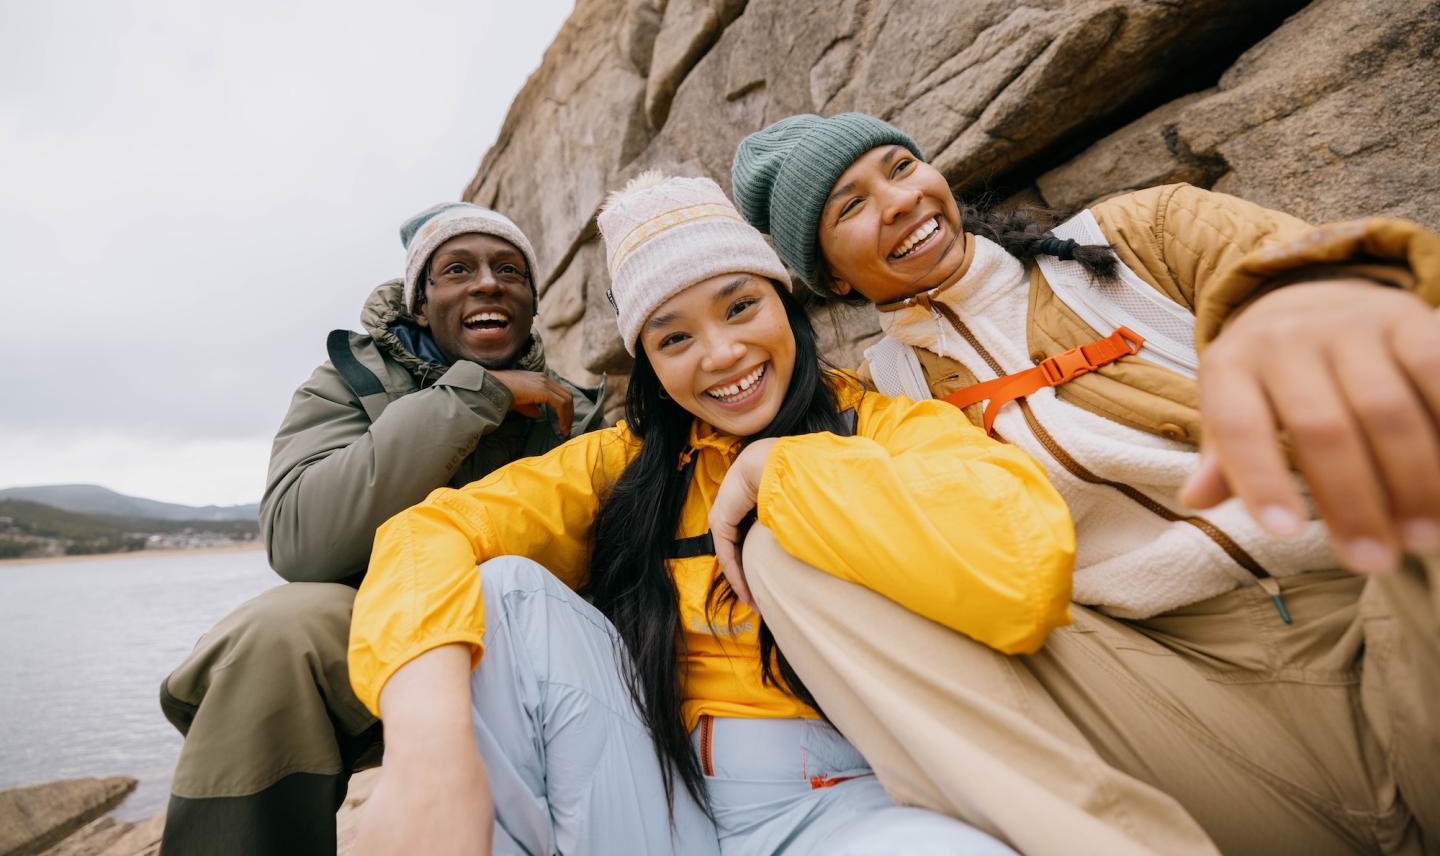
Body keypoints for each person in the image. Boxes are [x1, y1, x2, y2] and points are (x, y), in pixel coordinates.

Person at [727, 112, 1440, 854]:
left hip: (1380, 601)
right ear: (833, 275)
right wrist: (768, 463)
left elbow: (1321, 283)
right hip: (1174, 699)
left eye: (900, 168)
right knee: (786, 544)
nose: (900, 200)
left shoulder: (1140, 235)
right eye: (851, 205)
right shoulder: (883, 402)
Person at [345, 173, 1075, 856]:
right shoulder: (623, 463)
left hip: (845, 801)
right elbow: (426, 532)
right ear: (652, 367)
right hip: (652, 795)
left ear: (786, 302)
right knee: (506, 589)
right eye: (674, 337)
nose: (722, 355)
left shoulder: (887, 427)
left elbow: (1025, 569)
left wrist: (780, 469)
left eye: (740, 306)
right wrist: (429, 755)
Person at [158, 203, 604, 856]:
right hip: (382, 639)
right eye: (458, 269)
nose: (487, 283)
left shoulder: (579, 410)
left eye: (509, 270)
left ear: (532, 304)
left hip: (531, 637)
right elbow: (298, 539)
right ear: (420, 304)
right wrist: (471, 399)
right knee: (278, 632)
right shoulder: (347, 384)